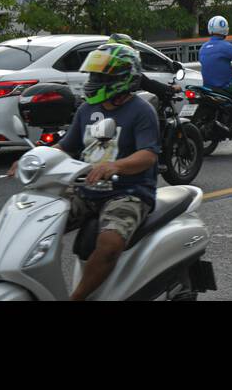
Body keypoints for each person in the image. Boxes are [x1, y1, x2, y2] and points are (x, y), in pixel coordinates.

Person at [57, 40, 161, 300]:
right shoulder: (86, 109)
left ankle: (77, 297)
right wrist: (34, 158)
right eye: (93, 73)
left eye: (101, 74)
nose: (94, 79)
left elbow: (148, 155)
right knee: (38, 222)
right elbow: (65, 147)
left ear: (123, 78)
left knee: (110, 243)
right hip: (85, 188)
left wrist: (114, 166)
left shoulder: (142, 111)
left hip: (128, 191)